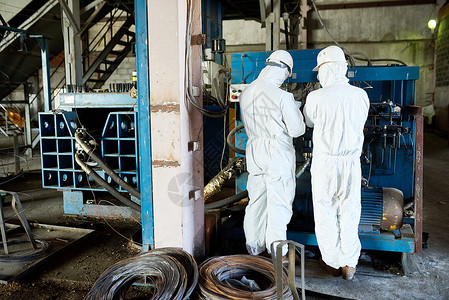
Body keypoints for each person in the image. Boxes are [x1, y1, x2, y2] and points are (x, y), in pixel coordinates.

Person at [303, 46, 369, 280]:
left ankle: (331, 263)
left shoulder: (315, 97)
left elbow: (309, 123)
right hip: (351, 163)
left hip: (325, 164)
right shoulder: (361, 96)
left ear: (325, 70)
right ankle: (349, 264)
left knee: (325, 212)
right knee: (350, 212)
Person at [239, 50, 306, 259]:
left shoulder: (247, 92)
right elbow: (297, 130)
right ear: (285, 70)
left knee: (257, 199)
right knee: (279, 203)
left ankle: (254, 246)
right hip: (276, 152)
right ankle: (279, 252)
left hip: (254, 149)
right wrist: (296, 111)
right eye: (287, 75)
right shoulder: (283, 96)